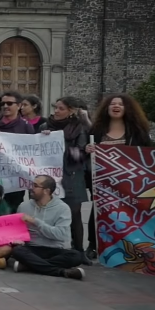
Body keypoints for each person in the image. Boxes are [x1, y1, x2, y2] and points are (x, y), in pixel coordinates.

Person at [85, 94, 153, 258]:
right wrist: (88, 149)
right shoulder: (97, 130)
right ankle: (93, 245)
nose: (116, 106)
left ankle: (129, 245)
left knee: (128, 213)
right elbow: (85, 152)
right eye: (113, 104)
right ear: (106, 108)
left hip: (129, 182)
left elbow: (146, 154)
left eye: (120, 104)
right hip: (102, 182)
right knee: (98, 212)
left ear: (127, 109)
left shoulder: (137, 132)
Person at [10, 175, 86, 279]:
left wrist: (35, 221)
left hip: (55, 249)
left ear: (46, 191)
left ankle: (29, 266)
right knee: (17, 250)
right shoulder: (24, 206)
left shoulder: (62, 208)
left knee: (76, 256)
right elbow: (18, 231)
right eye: (32, 184)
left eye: (35, 186)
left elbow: (59, 235)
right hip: (33, 248)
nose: (31, 188)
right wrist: (18, 239)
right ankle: (62, 272)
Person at [45, 97, 89, 258]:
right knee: (49, 212)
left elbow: (79, 155)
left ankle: (78, 250)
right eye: (55, 107)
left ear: (71, 111)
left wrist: (61, 145)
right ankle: (51, 247)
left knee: (75, 214)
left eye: (61, 108)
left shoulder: (79, 128)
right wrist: (45, 138)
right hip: (51, 176)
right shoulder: (45, 126)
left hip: (72, 175)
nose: (56, 111)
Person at [0, 90, 35, 212]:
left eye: (9, 103)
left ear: (19, 106)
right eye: (3, 103)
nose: (5, 106)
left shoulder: (26, 126)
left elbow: (31, 150)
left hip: (16, 178)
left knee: (12, 209)